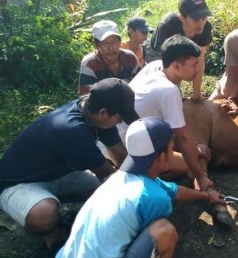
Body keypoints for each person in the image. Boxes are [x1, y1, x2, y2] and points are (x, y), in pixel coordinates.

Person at [0, 78, 139, 253]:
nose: (120, 123)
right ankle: (54, 233)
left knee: (101, 192)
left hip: (59, 174)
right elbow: (108, 175)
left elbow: (120, 155)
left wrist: (143, 173)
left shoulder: (95, 114)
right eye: (120, 118)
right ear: (104, 112)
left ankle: (56, 208)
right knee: (44, 215)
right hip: (19, 183)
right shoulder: (72, 129)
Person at [57, 117, 224, 258]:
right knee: (164, 232)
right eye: (172, 149)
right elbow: (164, 197)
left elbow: (174, 190)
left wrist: (206, 196)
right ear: (163, 155)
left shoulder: (120, 178)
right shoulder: (154, 198)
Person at [126, 34, 213, 192]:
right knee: (185, 164)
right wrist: (200, 176)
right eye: (194, 65)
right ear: (176, 66)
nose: (198, 69)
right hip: (129, 148)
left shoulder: (157, 65)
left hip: (125, 134)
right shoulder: (168, 91)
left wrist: (193, 146)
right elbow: (183, 136)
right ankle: (142, 175)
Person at [144, 0, 213, 100]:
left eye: (204, 18)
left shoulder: (206, 28)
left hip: (182, 50)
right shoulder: (168, 25)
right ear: (182, 17)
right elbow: (167, 64)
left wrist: (197, 96)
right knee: (162, 90)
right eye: (195, 20)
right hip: (157, 53)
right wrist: (173, 92)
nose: (200, 24)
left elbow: (200, 60)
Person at [79, 20, 140, 95]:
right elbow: (86, 97)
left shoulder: (130, 58)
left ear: (120, 42)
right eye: (105, 43)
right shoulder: (89, 63)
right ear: (95, 45)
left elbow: (141, 86)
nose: (110, 48)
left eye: (114, 42)